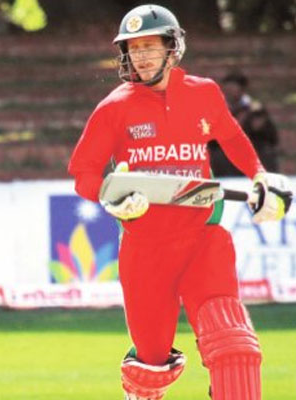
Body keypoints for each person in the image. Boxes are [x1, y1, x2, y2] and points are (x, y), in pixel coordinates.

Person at [67, 4, 292, 400]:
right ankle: (141, 384)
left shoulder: (203, 93)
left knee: (234, 347)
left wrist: (258, 175)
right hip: (145, 249)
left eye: (150, 46)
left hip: (203, 238)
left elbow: (232, 137)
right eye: (134, 48)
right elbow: (84, 174)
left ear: (173, 48)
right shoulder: (114, 108)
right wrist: (111, 198)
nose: (141, 56)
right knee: (150, 368)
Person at [209, 69, 280, 176]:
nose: (229, 92)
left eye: (233, 88)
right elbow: (212, 140)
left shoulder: (255, 109)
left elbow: (272, 137)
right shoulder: (219, 109)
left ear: (242, 90)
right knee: (219, 155)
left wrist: (259, 127)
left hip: (253, 147)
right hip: (227, 149)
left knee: (266, 152)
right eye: (227, 89)